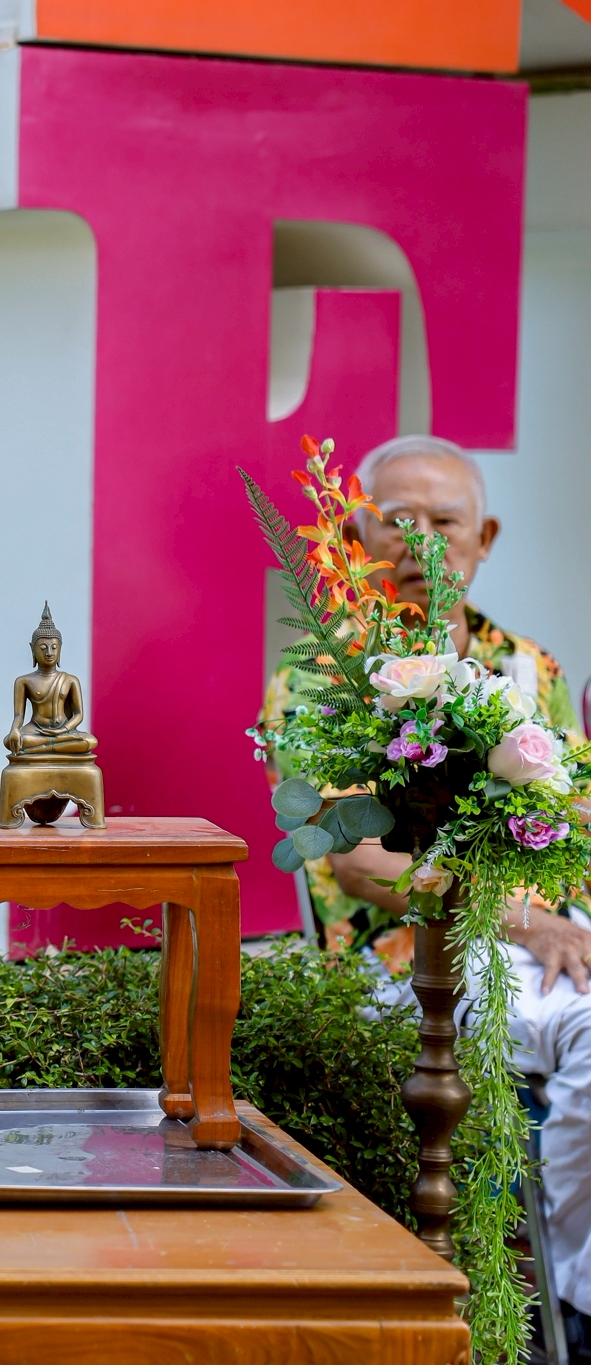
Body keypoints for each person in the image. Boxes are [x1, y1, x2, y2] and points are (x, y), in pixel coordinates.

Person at [262, 433, 591, 1313]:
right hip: (411, 957)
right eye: (398, 520)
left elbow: (574, 824)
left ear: (485, 538)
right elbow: (360, 860)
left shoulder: (532, 669)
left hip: (548, 948)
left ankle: (571, 1290)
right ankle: (562, 1298)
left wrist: (556, 924)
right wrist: (529, 920)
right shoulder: (325, 671)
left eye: (445, 522)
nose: (423, 541)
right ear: (358, 535)